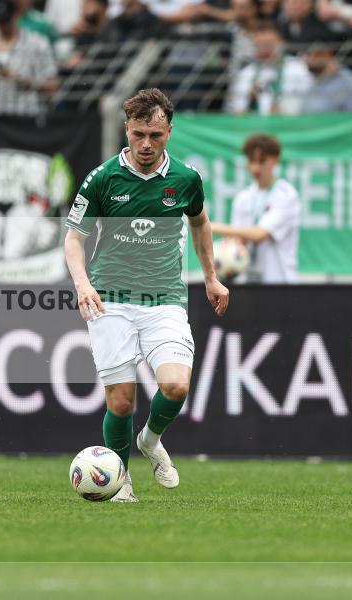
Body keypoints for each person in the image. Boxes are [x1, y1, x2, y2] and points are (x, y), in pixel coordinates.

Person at [64, 88, 229, 503]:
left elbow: (201, 224)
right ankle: (120, 483)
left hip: (164, 298)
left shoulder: (186, 179)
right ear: (126, 129)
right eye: (138, 134)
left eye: (155, 135)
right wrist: (83, 284)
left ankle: (151, 440)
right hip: (110, 300)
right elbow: (73, 239)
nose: (145, 144)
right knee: (120, 402)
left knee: (175, 386)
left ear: (169, 132)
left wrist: (211, 277)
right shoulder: (102, 179)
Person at [211, 134, 300, 283]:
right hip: (249, 283)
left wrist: (214, 227)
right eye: (252, 161)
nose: (256, 168)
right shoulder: (243, 198)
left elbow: (259, 234)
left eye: (262, 161)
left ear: (275, 160)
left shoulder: (286, 196)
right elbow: (238, 240)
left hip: (281, 283)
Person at [0, 0, 57, 116]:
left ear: (16, 16)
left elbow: (53, 87)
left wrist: (20, 79)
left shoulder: (38, 43)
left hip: (27, 116)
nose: (2, 26)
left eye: (6, 20)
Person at [226, 20, 312, 115]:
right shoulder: (245, 74)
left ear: (281, 43)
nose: (264, 50)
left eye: (269, 45)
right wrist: (248, 102)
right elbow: (237, 113)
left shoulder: (299, 69)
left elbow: (310, 104)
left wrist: (284, 112)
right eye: (259, 46)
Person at [301, 41, 352, 113]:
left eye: (314, 55)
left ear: (327, 55)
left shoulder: (347, 82)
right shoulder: (315, 80)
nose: (309, 59)